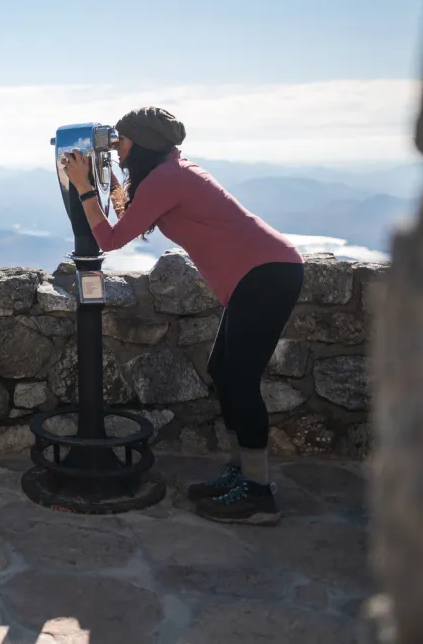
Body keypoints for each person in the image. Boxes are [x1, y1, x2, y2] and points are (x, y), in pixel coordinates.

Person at [62, 106, 304, 526]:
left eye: (120, 140)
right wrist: (112, 183)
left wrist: (85, 186)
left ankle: (258, 495)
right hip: (263, 273)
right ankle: (242, 475)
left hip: (266, 276)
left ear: (138, 142)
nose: (115, 147)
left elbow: (112, 238)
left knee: (241, 381)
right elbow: (130, 219)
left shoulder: (168, 178)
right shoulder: (170, 172)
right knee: (224, 372)